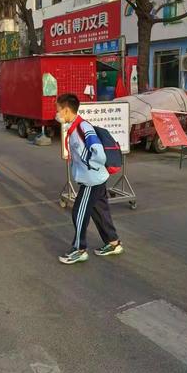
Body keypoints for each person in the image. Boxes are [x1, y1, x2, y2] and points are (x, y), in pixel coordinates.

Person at [56, 94, 123, 265]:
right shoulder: (76, 127)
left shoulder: (83, 127)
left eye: (58, 110)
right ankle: (113, 243)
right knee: (99, 211)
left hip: (91, 180)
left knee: (79, 213)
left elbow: (98, 153)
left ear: (66, 110)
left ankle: (79, 249)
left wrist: (89, 165)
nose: (57, 114)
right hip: (96, 178)